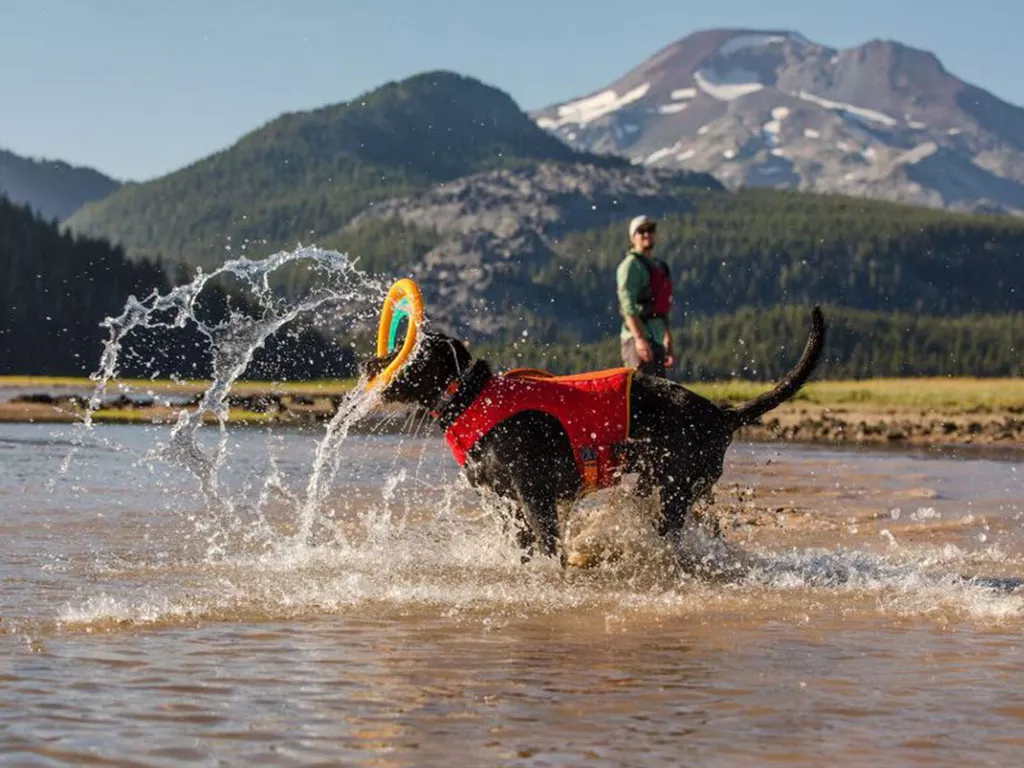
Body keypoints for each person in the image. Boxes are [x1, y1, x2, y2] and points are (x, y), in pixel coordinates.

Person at [616, 215, 675, 378]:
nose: (647, 234)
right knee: (642, 395)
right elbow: (627, 307)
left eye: (650, 230)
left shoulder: (660, 266)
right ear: (632, 237)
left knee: (659, 394)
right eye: (641, 231)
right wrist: (639, 339)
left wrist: (667, 337)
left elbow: (662, 308)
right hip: (637, 339)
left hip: (657, 337)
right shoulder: (630, 266)